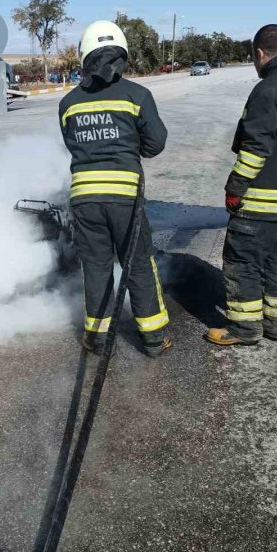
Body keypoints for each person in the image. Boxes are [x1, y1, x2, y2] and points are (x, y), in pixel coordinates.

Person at [205, 24, 277, 346]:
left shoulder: (268, 90)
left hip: (259, 207)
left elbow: (255, 149)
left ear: (259, 53)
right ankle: (275, 325)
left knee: (242, 264)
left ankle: (244, 329)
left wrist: (235, 188)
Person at [58, 20, 172, 358]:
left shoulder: (68, 104)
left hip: (85, 200)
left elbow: (73, 145)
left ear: (84, 57)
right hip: (126, 199)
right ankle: (152, 339)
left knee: (95, 266)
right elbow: (156, 143)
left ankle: (98, 337)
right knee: (137, 264)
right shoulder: (138, 95)